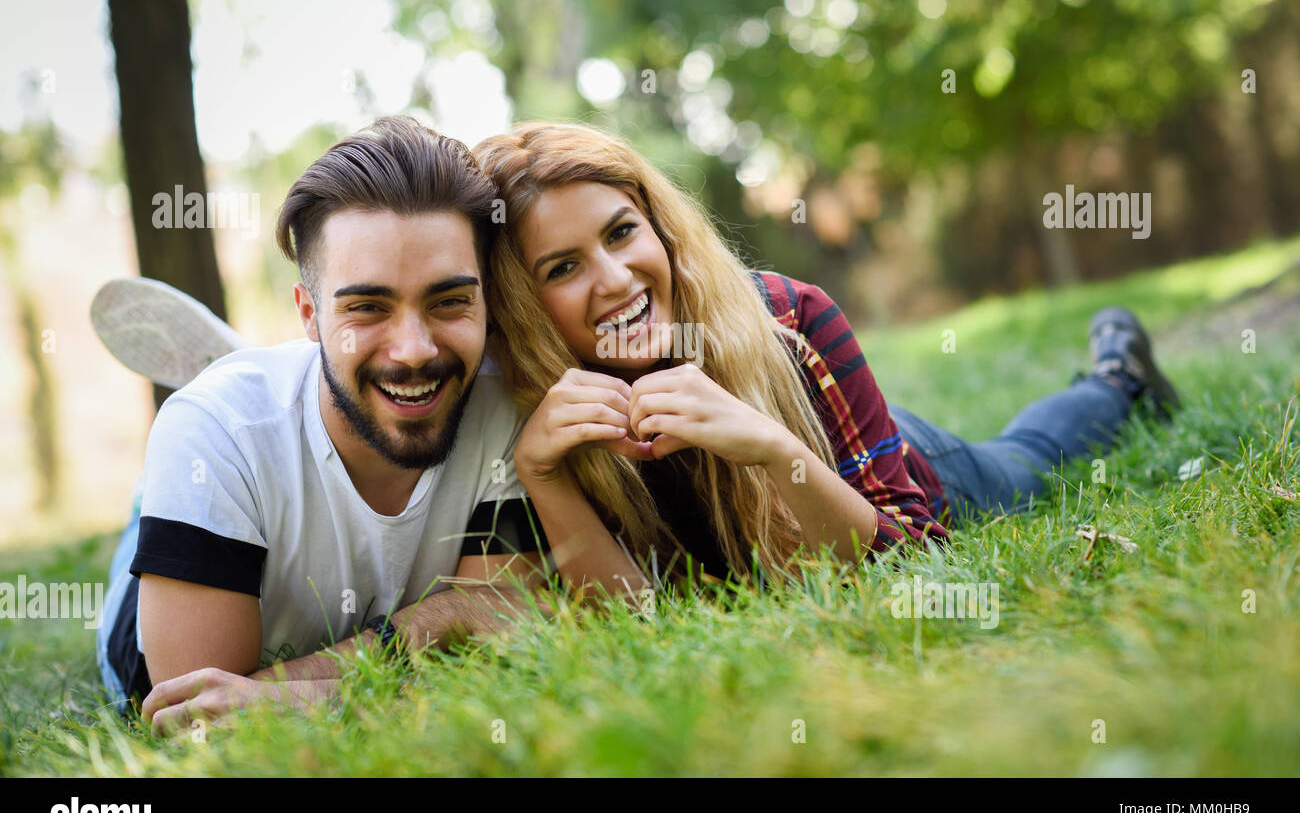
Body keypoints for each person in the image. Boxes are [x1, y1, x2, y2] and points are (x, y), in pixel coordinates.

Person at [469, 122, 1180, 595]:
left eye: (622, 232)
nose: (616, 278)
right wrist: (543, 474)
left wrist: (774, 449)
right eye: (563, 267)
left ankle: (1118, 375)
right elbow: (627, 626)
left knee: (1026, 460)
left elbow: (913, 560)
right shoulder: (535, 415)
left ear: (660, 227)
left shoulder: (787, 318)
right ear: (524, 305)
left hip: (888, 469)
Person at [94, 117, 551, 734]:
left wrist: (286, 695)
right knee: (202, 443)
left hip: (265, 427)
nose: (415, 350)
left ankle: (278, 369)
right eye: (367, 307)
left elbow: (498, 627)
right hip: (202, 488)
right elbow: (196, 715)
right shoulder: (217, 430)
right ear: (309, 313)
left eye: (449, 301)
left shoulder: (511, 409)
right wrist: (436, 621)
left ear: (486, 302)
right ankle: (175, 477)